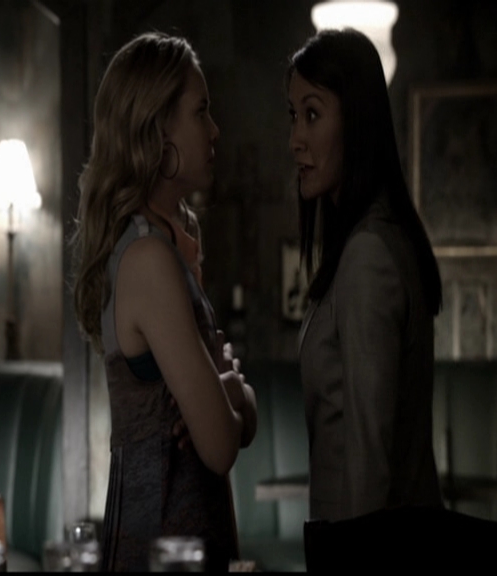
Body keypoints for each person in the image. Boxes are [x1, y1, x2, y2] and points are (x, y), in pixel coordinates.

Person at [72, 31, 257, 571]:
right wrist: (230, 391)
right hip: (161, 553)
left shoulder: (166, 249)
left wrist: (228, 391)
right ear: (157, 129)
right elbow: (221, 445)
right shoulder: (148, 258)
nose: (215, 129)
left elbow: (236, 422)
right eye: (201, 111)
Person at [287, 28, 444, 522]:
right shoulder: (372, 240)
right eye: (294, 116)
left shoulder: (368, 255)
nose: (295, 140)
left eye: (313, 114)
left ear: (356, 121)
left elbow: (368, 461)